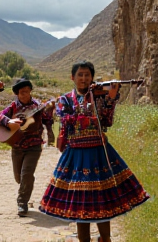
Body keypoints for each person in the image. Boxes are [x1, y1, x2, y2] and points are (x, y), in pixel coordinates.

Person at [39, 61, 149, 242]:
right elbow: (67, 120)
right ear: (72, 77)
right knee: (81, 203)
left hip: (99, 152)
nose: (83, 78)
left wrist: (111, 98)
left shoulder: (100, 97)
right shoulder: (65, 99)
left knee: (101, 198)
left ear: (92, 77)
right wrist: (86, 105)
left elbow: (107, 121)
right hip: (75, 154)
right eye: (80, 75)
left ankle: (105, 238)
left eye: (87, 75)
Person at [0, 78, 53, 216]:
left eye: (26, 91)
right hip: (17, 146)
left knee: (26, 174)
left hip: (34, 146)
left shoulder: (38, 106)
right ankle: (27, 182)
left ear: (30, 91)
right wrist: (8, 121)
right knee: (19, 177)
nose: (24, 94)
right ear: (17, 94)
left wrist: (50, 126)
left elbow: (48, 119)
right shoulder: (12, 107)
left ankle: (22, 203)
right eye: (21, 92)